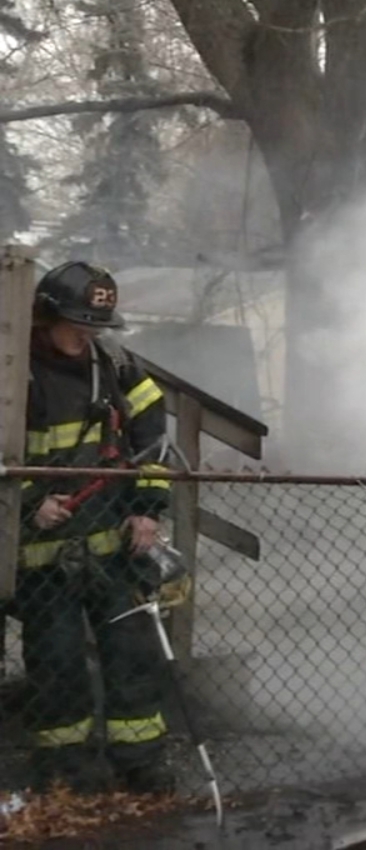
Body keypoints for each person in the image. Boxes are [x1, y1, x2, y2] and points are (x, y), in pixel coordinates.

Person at [16, 260, 175, 795]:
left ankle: (140, 763)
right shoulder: (14, 372)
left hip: (114, 548)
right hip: (41, 561)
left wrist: (147, 510)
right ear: (45, 315)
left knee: (134, 656)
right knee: (56, 666)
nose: (87, 334)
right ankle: (66, 775)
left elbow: (154, 439)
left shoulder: (114, 365)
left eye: (96, 325)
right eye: (78, 323)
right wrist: (29, 506)